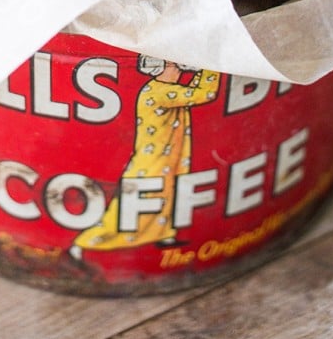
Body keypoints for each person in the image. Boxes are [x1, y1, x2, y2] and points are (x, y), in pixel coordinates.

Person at [69, 57, 220, 257]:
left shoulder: (168, 89)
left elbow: (189, 94)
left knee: (167, 192)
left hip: (167, 156)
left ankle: (164, 234)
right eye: (175, 66)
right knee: (135, 203)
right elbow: (204, 94)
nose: (180, 70)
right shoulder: (160, 92)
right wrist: (214, 63)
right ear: (160, 68)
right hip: (153, 159)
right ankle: (84, 243)